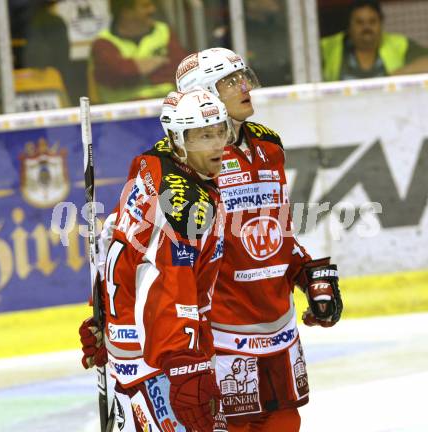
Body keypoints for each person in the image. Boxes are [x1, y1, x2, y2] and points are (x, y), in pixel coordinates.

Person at [81, 48, 343, 431]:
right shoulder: (175, 170)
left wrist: (306, 270)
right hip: (218, 334)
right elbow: (138, 250)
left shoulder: (268, 147)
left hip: (278, 324)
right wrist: (107, 315)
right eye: (229, 81)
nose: (243, 87)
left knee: (286, 422)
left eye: (243, 77)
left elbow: (276, 225)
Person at [80, 87, 236, 431]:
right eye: (202, 136)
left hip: (133, 354)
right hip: (161, 363)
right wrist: (183, 363)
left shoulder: (149, 170)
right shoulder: (185, 204)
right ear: (178, 139)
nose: (215, 145)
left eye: (219, 132)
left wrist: (106, 320)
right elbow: (167, 283)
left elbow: (116, 247)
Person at [88, 0, 188, 103]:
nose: (153, 9)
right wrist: (158, 64)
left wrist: (133, 69)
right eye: (145, 6)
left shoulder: (164, 31)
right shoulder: (103, 42)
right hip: (124, 112)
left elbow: (182, 70)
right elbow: (116, 76)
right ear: (126, 12)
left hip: (167, 107)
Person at [321, 0, 428, 81]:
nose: (367, 27)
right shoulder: (329, 46)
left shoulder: (398, 44)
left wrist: (393, 77)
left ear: (381, 24)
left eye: (372, 22)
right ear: (349, 26)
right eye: (359, 22)